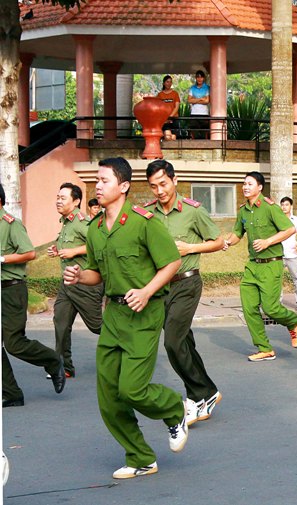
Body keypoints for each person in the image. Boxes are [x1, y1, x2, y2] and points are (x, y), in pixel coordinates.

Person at [61, 158, 187, 479]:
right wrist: (79, 276)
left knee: (131, 389)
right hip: (114, 314)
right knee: (108, 395)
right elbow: (96, 274)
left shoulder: (144, 222)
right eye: (97, 181)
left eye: (104, 181)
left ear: (124, 186)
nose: (98, 186)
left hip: (144, 313)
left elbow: (171, 262)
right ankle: (141, 457)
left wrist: (146, 291)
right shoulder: (95, 229)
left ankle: (173, 409)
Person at [144, 160, 225, 424]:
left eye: (163, 183)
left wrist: (190, 248)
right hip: (161, 285)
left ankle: (199, 394)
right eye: (154, 186)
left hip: (187, 283)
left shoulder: (192, 211)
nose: (159, 190)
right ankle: (207, 392)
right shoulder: (146, 214)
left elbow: (218, 242)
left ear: (174, 180)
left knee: (172, 342)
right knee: (183, 341)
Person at [223, 171, 297, 361]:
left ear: (259, 187)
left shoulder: (270, 207)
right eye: (244, 184)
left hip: (271, 264)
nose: (245, 187)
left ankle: (292, 321)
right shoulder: (242, 210)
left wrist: (267, 242)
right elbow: (237, 233)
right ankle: (265, 348)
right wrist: (227, 242)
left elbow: (290, 229)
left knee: (270, 308)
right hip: (253, 266)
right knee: (249, 307)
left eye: (250, 184)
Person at [2, 184, 66, 408]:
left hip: (11, 290)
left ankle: (52, 360)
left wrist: (2, 259)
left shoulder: (10, 224)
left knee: (14, 343)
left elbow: (29, 252)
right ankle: (11, 393)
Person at [49, 182, 103, 378]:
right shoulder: (65, 222)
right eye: (57, 197)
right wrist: (57, 250)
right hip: (67, 283)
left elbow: (98, 244)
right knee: (61, 324)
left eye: (63, 198)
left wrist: (74, 250)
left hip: (85, 284)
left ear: (76, 201)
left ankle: (129, 350)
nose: (58, 201)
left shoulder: (82, 222)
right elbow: (68, 245)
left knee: (98, 326)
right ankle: (63, 367)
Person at [279, 196, 297, 310]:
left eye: (286, 204)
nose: (284, 207)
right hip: (279, 255)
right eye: (282, 205)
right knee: (277, 279)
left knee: (296, 278)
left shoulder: (296, 220)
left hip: (292, 255)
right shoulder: (277, 219)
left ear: (291, 206)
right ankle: (278, 301)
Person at [187, 70, 210, 139]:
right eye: (198, 77)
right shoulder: (192, 88)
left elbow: (207, 101)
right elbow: (189, 100)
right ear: (196, 78)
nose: (199, 79)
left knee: (204, 133)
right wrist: (201, 99)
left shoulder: (207, 88)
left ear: (203, 78)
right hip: (194, 113)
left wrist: (194, 100)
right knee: (194, 133)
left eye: (201, 77)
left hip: (204, 113)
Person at [157, 75, 180, 141]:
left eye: (170, 82)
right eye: (167, 82)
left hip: (174, 119)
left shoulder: (175, 94)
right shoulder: (160, 95)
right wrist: (165, 118)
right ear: (164, 83)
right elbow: (158, 107)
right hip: (164, 120)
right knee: (167, 137)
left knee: (173, 138)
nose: (169, 84)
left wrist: (170, 116)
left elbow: (177, 106)